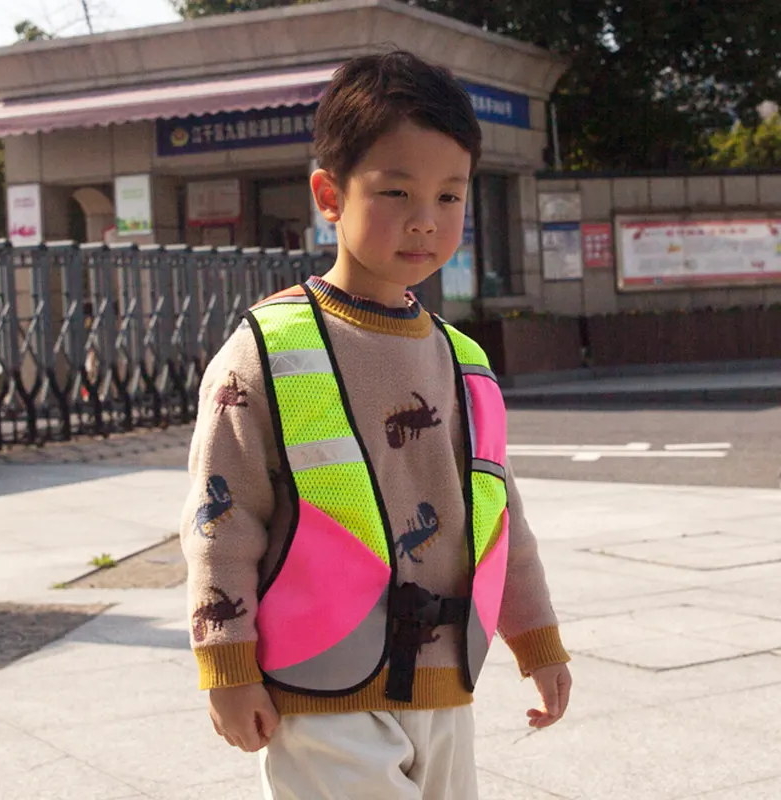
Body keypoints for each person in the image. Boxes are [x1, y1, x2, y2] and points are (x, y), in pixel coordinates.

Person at [180, 50, 572, 800]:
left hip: (445, 685)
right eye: (396, 191)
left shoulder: (465, 363)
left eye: (451, 196)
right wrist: (226, 665)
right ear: (329, 194)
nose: (426, 219)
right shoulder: (268, 351)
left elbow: (500, 520)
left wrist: (537, 640)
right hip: (321, 687)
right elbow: (221, 521)